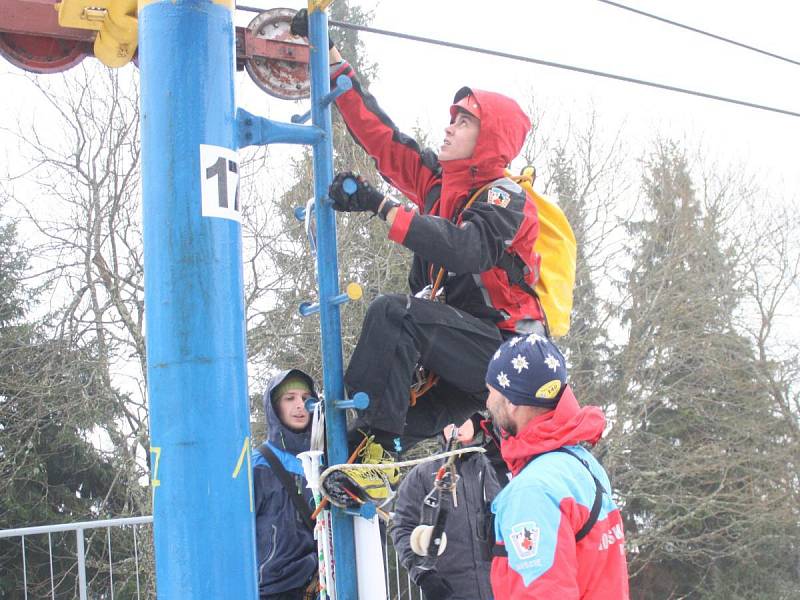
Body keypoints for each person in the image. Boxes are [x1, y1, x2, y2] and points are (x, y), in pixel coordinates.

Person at [290, 10, 545, 454]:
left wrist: (383, 207)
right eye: (452, 118)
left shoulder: (507, 199)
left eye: (464, 121)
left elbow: (466, 248)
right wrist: (330, 57)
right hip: (458, 362)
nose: (449, 126)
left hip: (504, 353)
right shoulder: (437, 184)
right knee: (362, 440)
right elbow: (383, 138)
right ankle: (364, 465)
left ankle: (377, 446)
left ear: (489, 138)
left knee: (395, 313)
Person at [484, 335, 629, 599]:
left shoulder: (532, 491)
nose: (487, 404)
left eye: (492, 393)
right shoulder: (580, 464)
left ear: (512, 402)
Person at [391, 418, 502, 600]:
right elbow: (402, 527)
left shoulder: (493, 467)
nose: (457, 428)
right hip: (450, 590)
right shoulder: (423, 474)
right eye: (451, 422)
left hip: (498, 587)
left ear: (475, 422)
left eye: (463, 420)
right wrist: (424, 576)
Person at [252, 369, 318, 600]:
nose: (300, 405)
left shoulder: (324, 460)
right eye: (289, 398)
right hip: (273, 589)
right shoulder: (257, 465)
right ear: (274, 407)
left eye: (306, 398)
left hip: (321, 584)